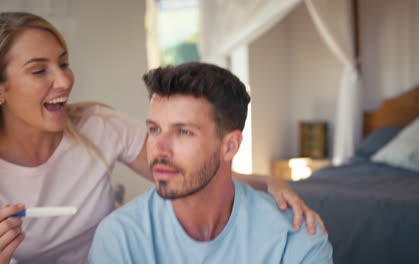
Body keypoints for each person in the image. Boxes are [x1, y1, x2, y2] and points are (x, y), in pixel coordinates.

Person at [0, 12, 325, 264]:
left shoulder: (97, 127)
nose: (65, 80)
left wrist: (270, 184)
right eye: (39, 70)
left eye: (64, 63)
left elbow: (192, 171)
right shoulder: (121, 235)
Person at [89, 62, 333, 263]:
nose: (158, 149)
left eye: (183, 132)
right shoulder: (119, 238)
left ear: (230, 146)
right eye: (154, 129)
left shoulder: (295, 237)